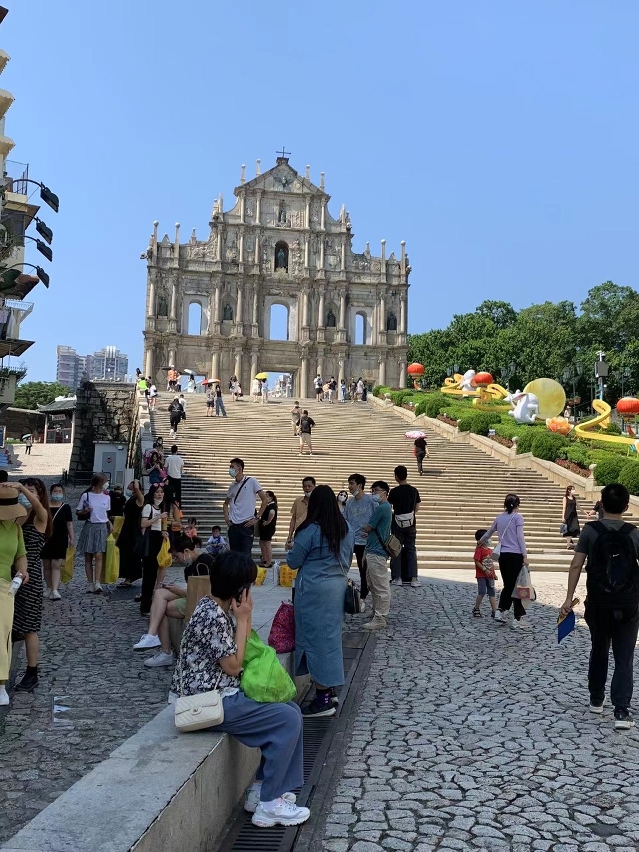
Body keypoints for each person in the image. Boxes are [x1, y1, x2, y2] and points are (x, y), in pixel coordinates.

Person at [171, 550, 309, 828]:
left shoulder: (213, 607)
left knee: (291, 710)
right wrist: (244, 619)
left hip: (218, 694)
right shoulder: (212, 616)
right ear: (240, 589)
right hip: (207, 701)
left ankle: (262, 790)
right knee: (287, 719)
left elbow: (237, 649)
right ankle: (269, 805)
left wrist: (243, 616)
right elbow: (234, 666)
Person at [560, 484, 639, 729]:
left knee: (599, 648)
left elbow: (576, 565)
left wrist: (568, 599)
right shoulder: (634, 533)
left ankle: (596, 698)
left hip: (598, 603)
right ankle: (621, 711)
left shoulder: (591, 531)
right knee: (624, 656)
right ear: (626, 506)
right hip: (628, 604)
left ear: (601, 504)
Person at [287, 485, 355, 718]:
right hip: (336, 590)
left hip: (313, 591)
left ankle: (323, 699)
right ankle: (330, 689)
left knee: (316, 642)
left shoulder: (311, 530)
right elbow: (347, 560)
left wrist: (291, 549)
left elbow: (294, 561)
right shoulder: (346, 528)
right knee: (330, 639)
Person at [133, 536, 214, 667]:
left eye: (177, 556)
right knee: (159, 593)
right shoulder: (189, 568)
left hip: (205, 603)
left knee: (162, 608)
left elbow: (205, 593)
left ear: (186, 551)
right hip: (193, 597)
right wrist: (176, 590)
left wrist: (179, 591)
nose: (177, 560)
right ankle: (151, 635)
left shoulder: (204, 562)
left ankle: (164, 651)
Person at [11, 478, 51, 693]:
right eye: (25, 491)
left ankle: (32, 671)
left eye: (31, 491)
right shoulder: (17, 516)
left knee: (29, 628)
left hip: (31, 576)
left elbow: (38, 506)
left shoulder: (40, 516)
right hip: (11, 574)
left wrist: (22, 489)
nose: (26, 495)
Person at [481, 493, 530, 628]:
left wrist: (481, 541)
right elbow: (520, 537)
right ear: (517, 505)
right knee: (517, 586)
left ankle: (501, 611)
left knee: (508, 585)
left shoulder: (499, 517)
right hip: (516, 555)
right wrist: (525, 555)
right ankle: (517, 618)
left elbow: (489, 532)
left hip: (503, 555)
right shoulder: (518, 517)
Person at [0, 486, 29, 707]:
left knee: (2, 634)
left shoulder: (16, 529)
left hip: (5, 587)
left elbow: (21, 555)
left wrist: (22, 571)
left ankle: (1, 684)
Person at [361, 480, 393, 630]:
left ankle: (380, 617)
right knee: (372, 583)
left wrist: (361, 527)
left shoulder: (382, 508)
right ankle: (376, 611)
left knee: (380, 586)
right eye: (372, 490)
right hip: (373, 550)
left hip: (377, 552)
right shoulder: (384, 507)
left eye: (376, 490)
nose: (374, 493)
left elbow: (368, 527)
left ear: (384, 492)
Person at [224, 458, 269, 554]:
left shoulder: (252, 481)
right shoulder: (232, 486)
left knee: (245, 555)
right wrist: (227, 517)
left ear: (239, 468)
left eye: (232, 467)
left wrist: (257, 518)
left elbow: (264, 500)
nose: (230, 469)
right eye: (230, 467)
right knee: (234, 555)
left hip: (246, 524)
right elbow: (225, 503)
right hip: (233, 525)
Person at [344, 474, 375, 607]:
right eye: (349, 484)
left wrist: (370, 531)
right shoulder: (349, 502)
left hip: (364, 541)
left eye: (352, 483)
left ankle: (363, 595)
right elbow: (345, 519)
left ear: (360, 485)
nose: (349, 487)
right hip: (351, 540)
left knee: (363, 570)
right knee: (344, 566)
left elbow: (377, 518)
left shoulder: (370, 501)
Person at [77, 474, 112, 594]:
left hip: (101, 527)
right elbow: (78, 511)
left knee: (99, 554)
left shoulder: (107, 497)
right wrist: (85, 511)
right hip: (90, 526)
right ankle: (90, 583)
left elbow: (105, 513)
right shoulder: (86, 496)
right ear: (99, 483)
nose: (107, 484)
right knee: (88, 556)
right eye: (105, 482)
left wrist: (109, 523)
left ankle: (97, 582)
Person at [388, 466, 421, 588]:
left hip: (397, 524)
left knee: (396, 549)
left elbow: (389, 507)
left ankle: (397, 578)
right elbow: (417, 508)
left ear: (396, 476)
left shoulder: (394, 491)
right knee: (411, 549)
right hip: (411, 524)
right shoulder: (414, 490)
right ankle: (414, 578)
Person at [139, 483, 170, 616]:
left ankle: (151, 603)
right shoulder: (148, 507)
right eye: (157, 492)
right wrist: (158, 517)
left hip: (158, 539)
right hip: (150, 541)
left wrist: (164, 532)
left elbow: (160, 526)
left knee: (155, 572)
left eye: (161, 492)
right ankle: (145, 606)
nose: (159, 494)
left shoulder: (162, 507)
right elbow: (143, 523)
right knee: (149, 575)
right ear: (152, 494)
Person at [41, 482, 74, 600]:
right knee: (46, 565)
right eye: (55, 491)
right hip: (45, 538)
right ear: (51, 493)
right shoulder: (44, 506)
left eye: (60, 491)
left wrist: (72, 537)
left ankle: (55, 589)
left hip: (60, 538)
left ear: (63, 493)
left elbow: (69, 524)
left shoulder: (66, 507)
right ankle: (49, 587)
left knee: (56, 564)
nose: (57, 494)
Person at [116, 479, 145, 589]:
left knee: (131, 553)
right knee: (125, 552)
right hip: (127, 527)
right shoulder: (131, 498)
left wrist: (136, 480)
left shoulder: (140, 498)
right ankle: (127, 577)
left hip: (133, 529)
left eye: (131, 484)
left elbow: (137, 488)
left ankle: (130, 577)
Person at [473, 528, 497, 618]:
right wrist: (484, 570)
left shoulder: (490, 550)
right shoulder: (479, 550)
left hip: (490, 576)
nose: (490, 539)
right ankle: (476, 608)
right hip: (481, 575)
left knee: (492, 592)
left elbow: (491, 563)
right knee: (482, 591)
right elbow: (476, 561)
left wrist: (494, 573)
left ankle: (494, 610)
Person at [286, 478, 316, 548]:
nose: (307, 488)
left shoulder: (318, 502)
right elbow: (293, 519)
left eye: (309, 486)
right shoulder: (297, 501)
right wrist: (289, 536)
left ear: (314, 487)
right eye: (305, 486)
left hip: (313, 535)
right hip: (299, 533)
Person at [258, 491, 277, 568]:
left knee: (267, 544)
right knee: (262, 542)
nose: (265, 497)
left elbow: (272, 513)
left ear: (271, 497)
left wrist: (267, 522)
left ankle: (268, 562)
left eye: (267, 496)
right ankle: (265, 559)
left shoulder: (272, 505)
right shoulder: (267, 505)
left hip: (268, 528)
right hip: (264, 528)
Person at [562, 485, 580, 549]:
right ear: (569, 490)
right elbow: (564, 508)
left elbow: (579, 507)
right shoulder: (565, 498)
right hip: (568, 516)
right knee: (568, 530)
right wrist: (563, 517)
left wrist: (587, 514)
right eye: (572, 489)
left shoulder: (574, 498)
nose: (574, 490)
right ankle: (568, 545)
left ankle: (570, 539)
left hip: (574, 516)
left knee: (576, 528)